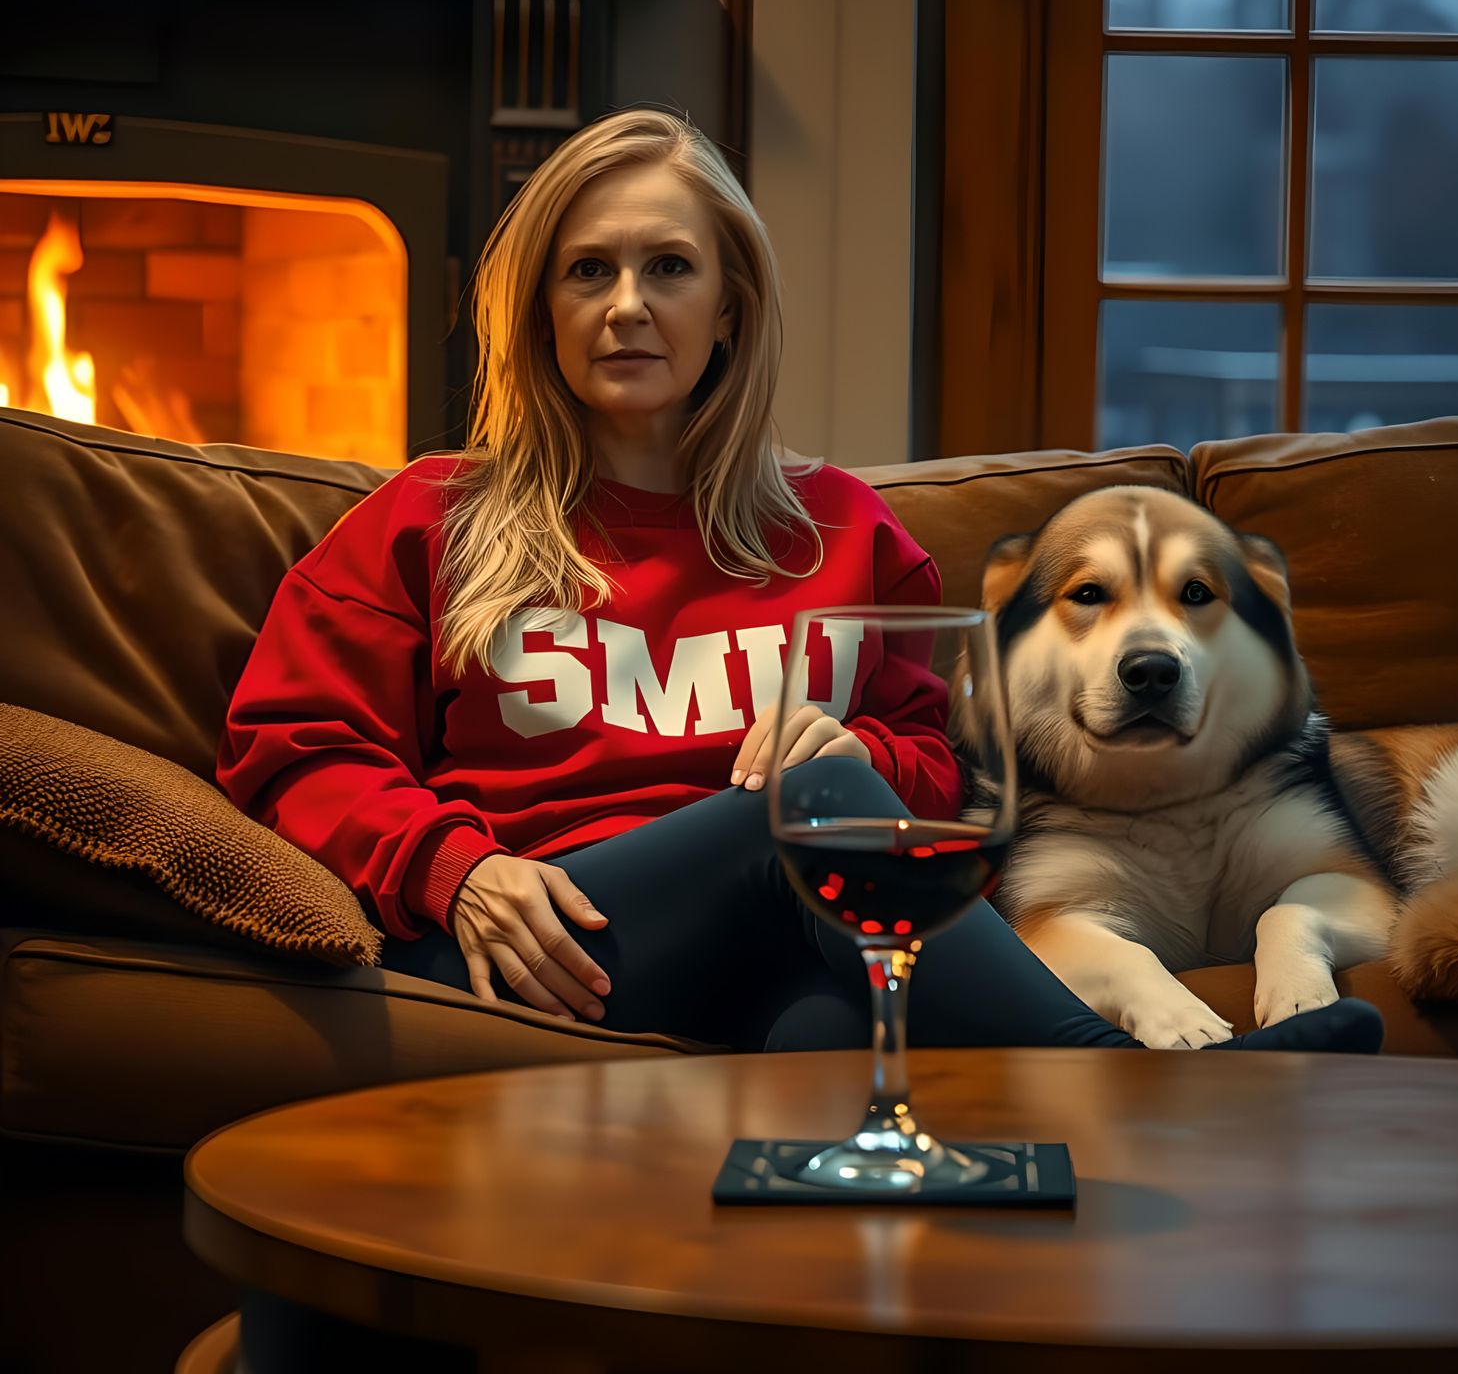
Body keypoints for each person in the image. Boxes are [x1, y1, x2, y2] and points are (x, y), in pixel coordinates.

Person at [217, 108, 1383, 1057]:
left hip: (775, 950)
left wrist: (867, 757)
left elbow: (942, 764)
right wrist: (453, 868)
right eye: (588, 271)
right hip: (541, 942)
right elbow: (296, 749)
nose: (627, 304)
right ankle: (1133, 1080)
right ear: (542, 310)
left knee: (835, 1045)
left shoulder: (842, 528)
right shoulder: (427, 517)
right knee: (798, 825)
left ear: (727, 307)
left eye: (667, 267)